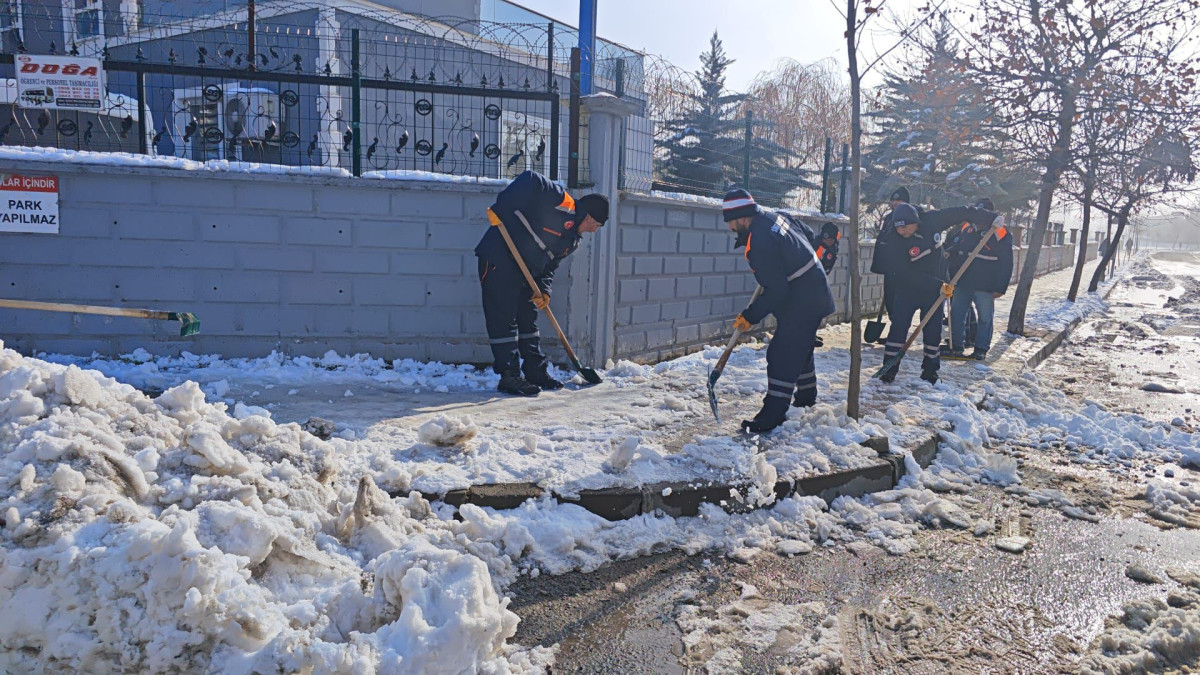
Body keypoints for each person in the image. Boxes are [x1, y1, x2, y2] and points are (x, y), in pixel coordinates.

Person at [474, 170, 610, 396]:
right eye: (596, 224)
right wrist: (502, 208)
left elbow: (549, 267)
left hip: (526, 272)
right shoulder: (560, 201)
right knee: (504, 319)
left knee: (528, 319)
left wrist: (544, 290)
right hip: (499, 257)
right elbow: (530, 179)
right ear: (588, 216)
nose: (595, 230)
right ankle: (510, 376)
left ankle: (535, 372)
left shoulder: (572, 241)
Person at [724, 189, 836, 433]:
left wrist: (751, 316)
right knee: (800, 344)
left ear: (742, 217)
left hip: (803, 299)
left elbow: (776, 291)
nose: (731, 228)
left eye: (731, 222)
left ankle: (773, 412)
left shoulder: (759, 242)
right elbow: (807, 234)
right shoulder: (775, 216)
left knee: (781, 353)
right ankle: (806, 395)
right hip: (814, 290)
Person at [874, 201, 1004, 384]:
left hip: (934, 291)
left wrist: (991, 218)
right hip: (907, 289)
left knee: (933, 332)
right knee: (898, 329)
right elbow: (901, 272)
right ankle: (889, 369)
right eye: (898, 228)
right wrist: (936, 284)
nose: (902, 231)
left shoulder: (933, 220)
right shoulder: (893, 241)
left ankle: (930, 370)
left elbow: (962, 210)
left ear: (915, 221)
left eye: (905, 227)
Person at [942, 198, 1013, 360]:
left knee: (985, 318)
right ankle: (956, 345)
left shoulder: (999, 232)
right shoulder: (967, 228)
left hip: (985, 284)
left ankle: (981, 348)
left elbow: (1006, 262)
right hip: (963, 280)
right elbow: (958, 245)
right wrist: (949, 252)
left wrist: (1000, 287)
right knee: (956, 315)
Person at [870, 187, 920, 344]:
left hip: (904, 270)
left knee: (900, 303)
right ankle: (895, 332)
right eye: (893, 201)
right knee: (891, 301)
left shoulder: (911, 220)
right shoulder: (888, 218)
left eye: (899, 201)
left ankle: (898, 334)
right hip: (889, 268)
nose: (895, 204)